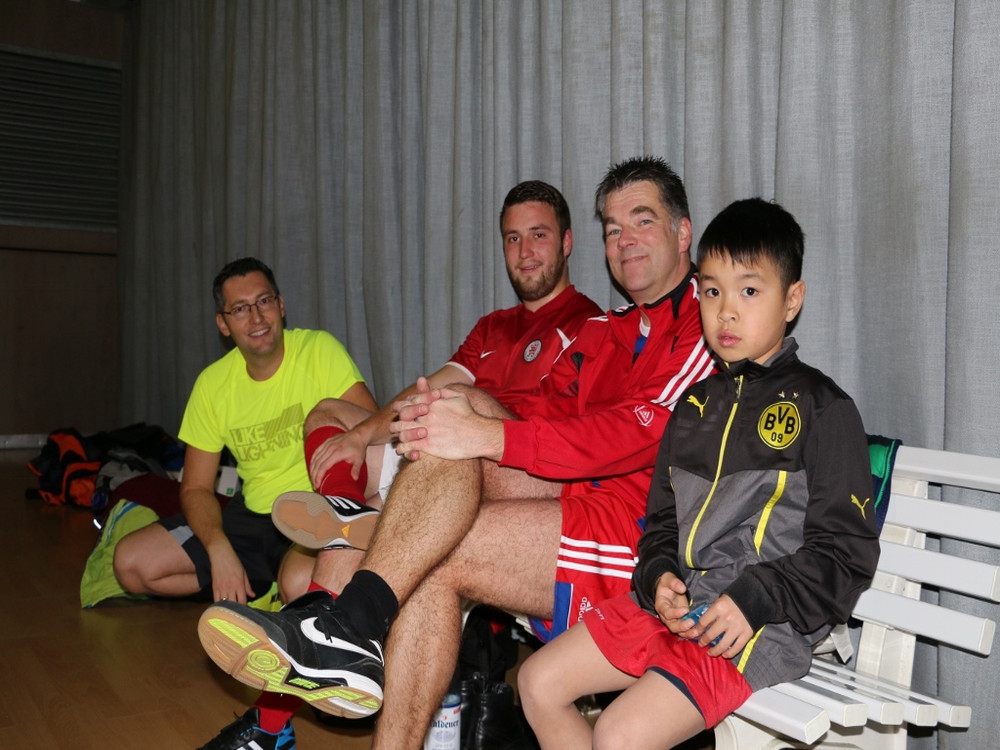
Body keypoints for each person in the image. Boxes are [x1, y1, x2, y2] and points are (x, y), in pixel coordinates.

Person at [196, 156, 716, 750]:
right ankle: (344, 624)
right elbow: (548, 417)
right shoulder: (611, 330)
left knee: (454, 434)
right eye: (614, 228)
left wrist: (486, 433)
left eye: (642, 221)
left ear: (682, 232)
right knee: (435, 499)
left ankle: (343, 619)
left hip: (640, 539)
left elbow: (632, 434)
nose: (624, 241)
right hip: (564, 498)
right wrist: (441, 425)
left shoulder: (703, 322)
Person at [517, 197, 881, 749]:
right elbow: (661, 526)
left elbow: (846, 554)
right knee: (537, 681)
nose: (726, 311)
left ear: (792, 299)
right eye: (712, 292)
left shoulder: (822, 408)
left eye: (749, 291)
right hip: (678, 609)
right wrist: (658, 577)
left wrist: (755, 597)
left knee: (617, 732)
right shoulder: (691, 409)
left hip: (760, 623)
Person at [112, 257, 377, 607]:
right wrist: (218, 549)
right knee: (130, 564)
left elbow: (374, 436)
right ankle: (259, 590)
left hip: (314, 510)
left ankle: (279, 593)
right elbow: (195, 487)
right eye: (239, 309)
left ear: (281, 306)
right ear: (223, 324)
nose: (256, 318)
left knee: (301, 586)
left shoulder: (319, 350)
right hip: (250, 518)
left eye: (264, 301)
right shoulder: (212, 385)